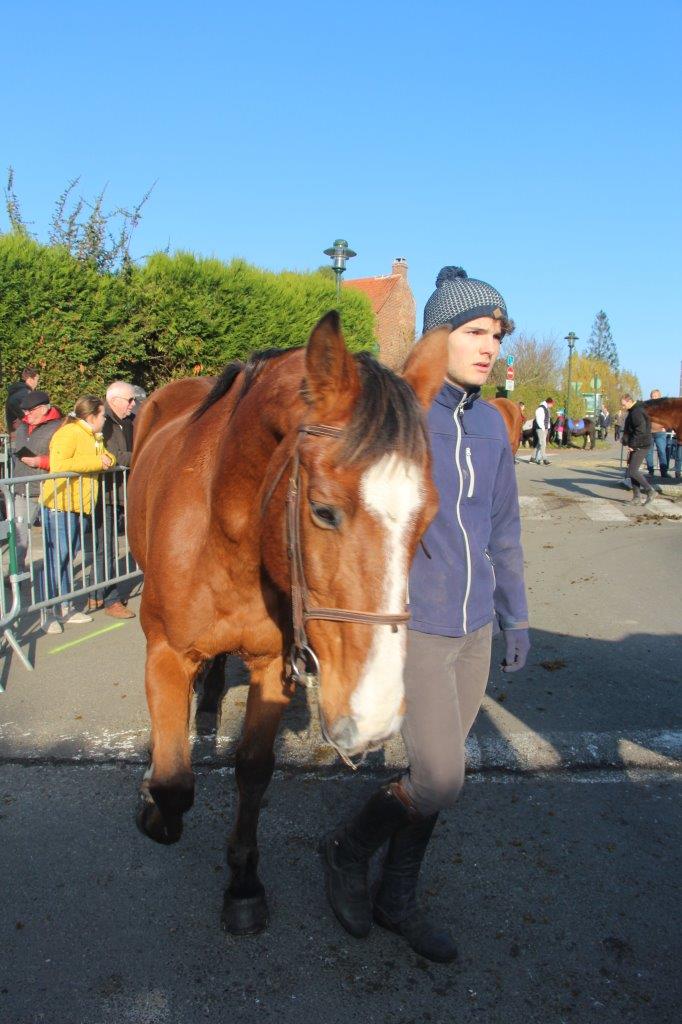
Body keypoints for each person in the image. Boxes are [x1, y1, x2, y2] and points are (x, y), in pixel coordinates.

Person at [319, 265, 529, 963]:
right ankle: (348, 850)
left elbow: (503, 531)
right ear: (439, 336)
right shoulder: (400, 418)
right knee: (440, 776)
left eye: (496, 334)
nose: (489, 345)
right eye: (475, 331)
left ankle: (396, 896)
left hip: (474, 630)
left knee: (440, 780)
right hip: (419, 625)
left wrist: (515, 617)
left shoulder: (494, 428)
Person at [40, 396, 116, 634]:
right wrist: (97, 462)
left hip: (77, 505)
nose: (105, 420)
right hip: (60, 504)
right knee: (57, 559)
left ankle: (65, 606)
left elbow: (107, 457)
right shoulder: (69, 433)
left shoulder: (93, 435)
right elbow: (59, 464)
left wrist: (106, 459)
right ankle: (48, 612)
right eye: (103, 415)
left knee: (67, 557)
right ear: (92, 416)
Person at [87, 382, 137, 619]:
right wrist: (142, 455)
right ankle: (111, 599)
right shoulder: (101, 421)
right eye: (129, 400)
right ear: (115, 400)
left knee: (105, 548)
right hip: (105, 494)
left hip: (124, 491)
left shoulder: (130, 421)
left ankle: (96, 591)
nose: (133, 404)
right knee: (105, 549)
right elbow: (110, 456)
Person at [10, 390, 62, 571]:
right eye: (24, 411)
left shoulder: (60, 426)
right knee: (18, 534)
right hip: (22, 487)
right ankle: (15, 573)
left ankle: (54, 575)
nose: (26, 415)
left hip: (48, 488)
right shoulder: (23, 426)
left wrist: (40, 461)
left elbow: (64, 457)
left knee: (54, 537)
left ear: (42, 409)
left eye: (29, 411)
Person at [621, 393, 656, 505]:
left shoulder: (636, 412)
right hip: (639, 444)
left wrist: (633, 445)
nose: (623, 407)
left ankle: (650, 490)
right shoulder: (635, 410)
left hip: (641, 445)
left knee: (633, 470)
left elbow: (640, 431)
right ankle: (636, 497)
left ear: (629, 401)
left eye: (623, 404)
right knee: (632, 470)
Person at [5, 367, 40, 436]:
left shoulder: (17, 392)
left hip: (16, 434)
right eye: (36, 380)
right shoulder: (24, 393)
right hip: (23, 436)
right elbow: (14, 403)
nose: (37, 383)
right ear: (30, 379)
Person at [645, 389, 669, 480]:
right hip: (649, 433)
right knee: (648, 452)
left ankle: (664, 472)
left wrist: (665, 427)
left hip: (660, 433)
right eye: (652, 396)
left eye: (655, 396)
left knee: (662, 451)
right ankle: (650, 471)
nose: (653, 398)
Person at [533, 396, 554, 464]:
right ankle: (545, 459)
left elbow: (547, 420)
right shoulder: (541, 409)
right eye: (552, 404)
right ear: (549, 403)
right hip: (541, 429)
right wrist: (543, 428)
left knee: (539, 444)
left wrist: (547, 427)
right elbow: (539, 419)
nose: (552, 406)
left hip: (544, 428)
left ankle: (532, 458)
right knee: (543, 444)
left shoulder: (546, 409)